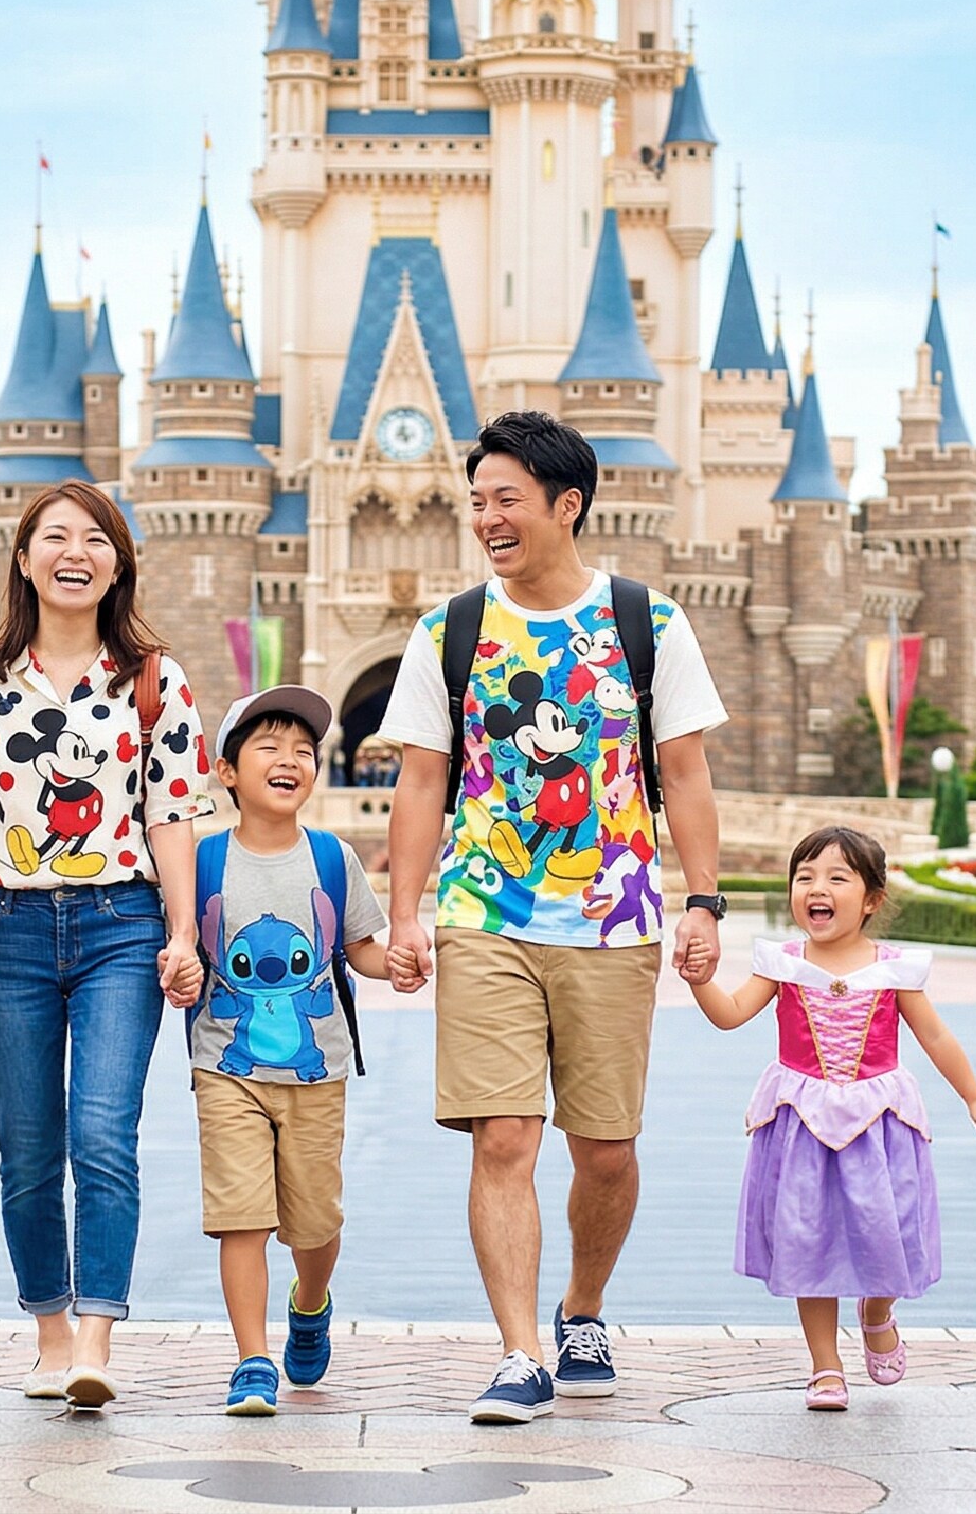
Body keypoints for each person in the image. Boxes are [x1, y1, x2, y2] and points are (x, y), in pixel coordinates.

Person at [377, 410, 728, 1424]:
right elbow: (421, 779)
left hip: (613, 920)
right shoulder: (447, 630)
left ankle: (582, 1308)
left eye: (505, 500)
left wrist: (701, 901)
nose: (486, 518)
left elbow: (685, 773)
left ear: (564, 505)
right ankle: (521, 1351)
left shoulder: (645, 623)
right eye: (476, 500)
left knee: (605, 1150)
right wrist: (407, 914)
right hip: (482, 912)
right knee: (502, 1140)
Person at [0, 480, 214, 1410]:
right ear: (22, 557)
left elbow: (172, 818)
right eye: (54, 536)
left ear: (119, 561)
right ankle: (48, 1333)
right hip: (5, 930)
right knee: (28, 1146)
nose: (74, 552)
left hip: (119, 925)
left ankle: (95, 1342)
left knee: (102, 1135)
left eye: (94, 538)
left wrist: (180, 931)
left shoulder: (156, 681)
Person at [686, 827, 976, 1411]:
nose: (816, 888)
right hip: (802, 1124)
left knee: (890, 1233)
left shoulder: (893, 971)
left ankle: (878, 1309)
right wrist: (702, 982)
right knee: (808, 1240)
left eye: (836, 877)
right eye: (804, 877)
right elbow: (730, 1015)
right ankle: (825, 1365)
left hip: (879, 1125)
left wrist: (974, 1098)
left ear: (872, 898)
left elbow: (934, 1036)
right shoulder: (781, 964)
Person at [160, 685, 391, 1416]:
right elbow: (176, 950)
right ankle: (251, 1359)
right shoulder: (198, 863)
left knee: (315, 1222)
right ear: (225, 772)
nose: (289, 760)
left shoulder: (332, 858)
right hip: (223, 1067)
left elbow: (360, 950)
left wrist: (405, 961)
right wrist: (179, 967)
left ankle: (311, 1299)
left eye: (303, 751)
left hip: (318, 1070)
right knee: (241, 1215)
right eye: (268, 747)